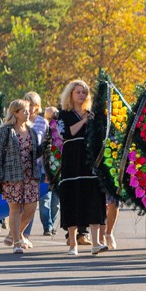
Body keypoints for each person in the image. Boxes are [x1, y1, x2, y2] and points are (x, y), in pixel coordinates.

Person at [56, 80, 107, 256]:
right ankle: (72, 244)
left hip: (89, 162)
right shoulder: (64, 114)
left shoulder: (91, 114)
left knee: (93, 198)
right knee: (72, 199)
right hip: (72, 161)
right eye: (78, 92)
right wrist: (84, 120)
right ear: (71, 94)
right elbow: (67, 133)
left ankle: (95, 243)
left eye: (84, 92)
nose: (82, 95)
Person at [0, 99, 41, 254]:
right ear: (15, 113)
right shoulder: (5, 131)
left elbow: (36, 152)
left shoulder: (32, 131)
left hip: (30, 174)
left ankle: (13, 233)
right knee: (14, 208)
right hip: (12, 175)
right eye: (24, 110)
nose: (28, 113)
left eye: (28, 110)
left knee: (31, 208)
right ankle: (17, 242)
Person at [28, 98, 59, 236]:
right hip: (34, 168)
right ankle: (48, 226)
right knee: (44, 199)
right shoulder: (20, 122)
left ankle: (52, 222)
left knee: (55, 202)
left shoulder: (44, 123)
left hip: (52, 166)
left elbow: (49, 146)